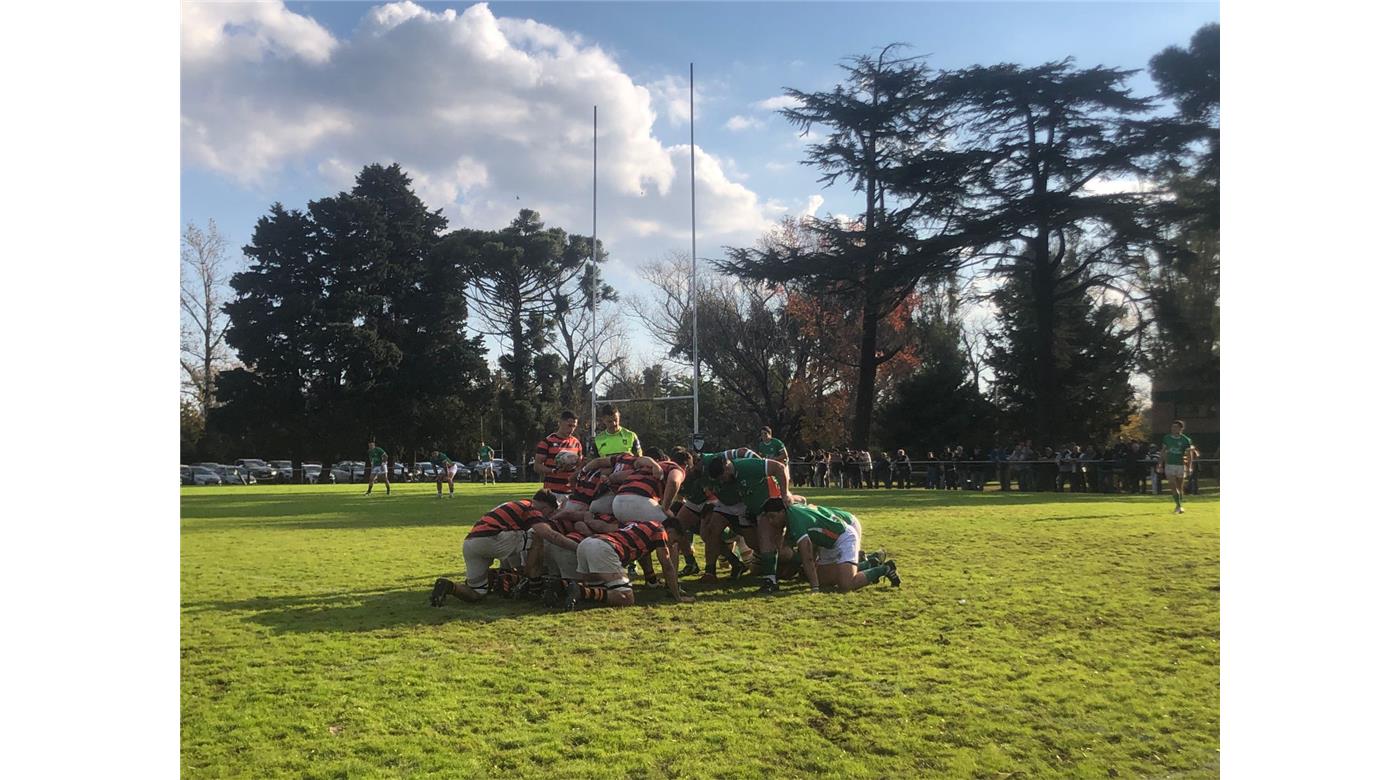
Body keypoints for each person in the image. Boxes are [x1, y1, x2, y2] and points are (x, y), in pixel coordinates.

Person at [430, 491, 573, 605]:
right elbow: (550, 535)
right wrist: (577, 547)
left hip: (471, 543)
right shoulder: (532, 508)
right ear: (546, 507)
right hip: (491, 539)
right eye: (550, 513)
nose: (549, 517)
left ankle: (448, 586)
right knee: (537, 537)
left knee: (477, 593)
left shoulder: (516, 504)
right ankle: (533, 582)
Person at [708, 454, 794, 594]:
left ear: (726, 467)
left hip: (768, 507)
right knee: (755, 544)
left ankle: (771, 580)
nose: (722, 481)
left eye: (721, 477)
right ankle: (781, 565)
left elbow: (779, 467)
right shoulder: (730, 478)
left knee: (766, 540)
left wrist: (785, 493)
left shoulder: (747, 466)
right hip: (750, 511)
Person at [564, 518, 695, 609]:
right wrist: (677, 596)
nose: (671, 545)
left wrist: (651, 579)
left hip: (587, 543)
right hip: (604, 548)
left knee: (598, 586)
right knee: (626, 598)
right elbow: (667, 567)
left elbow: (643, 553)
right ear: (670, 531)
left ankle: (559, 586)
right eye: (674, 540)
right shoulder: (660, 531)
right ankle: (581, 592)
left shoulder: (643, 525)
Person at [775, 503, 900, 593]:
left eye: (772, 517)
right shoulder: (793, 511)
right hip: (828, 542)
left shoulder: (795, 520)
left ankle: (885, 569)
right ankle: (868, 564)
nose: (770, 521)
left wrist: (814, 588)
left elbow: (807, 556)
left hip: (843, 537)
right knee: (823, 581)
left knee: (846, 585)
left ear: (782, 512)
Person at [534, 411, 583, 504]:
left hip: (570, 491)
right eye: (569, 425)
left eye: (574, 426)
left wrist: (576, 471)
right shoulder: (547, 442)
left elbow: (580, 465)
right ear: (560, 423)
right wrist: (553, 471)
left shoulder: (576, 443)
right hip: (552, 492)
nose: (572, 429)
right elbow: (537, 466)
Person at [1159, 420, 1195, 514]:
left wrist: (1189, 466)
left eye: (1175, 427)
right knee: (1173, 486)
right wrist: (1160, 463)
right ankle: (1179, 506)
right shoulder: (1166, 438)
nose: (1173, 429)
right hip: (1169, 465)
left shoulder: (1185, 440)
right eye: (1172, 427)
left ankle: (1179, 505)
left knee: (1179, 487)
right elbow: (1163, 451)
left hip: (1180, 465)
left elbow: (1189, 454)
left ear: (1181, 428)